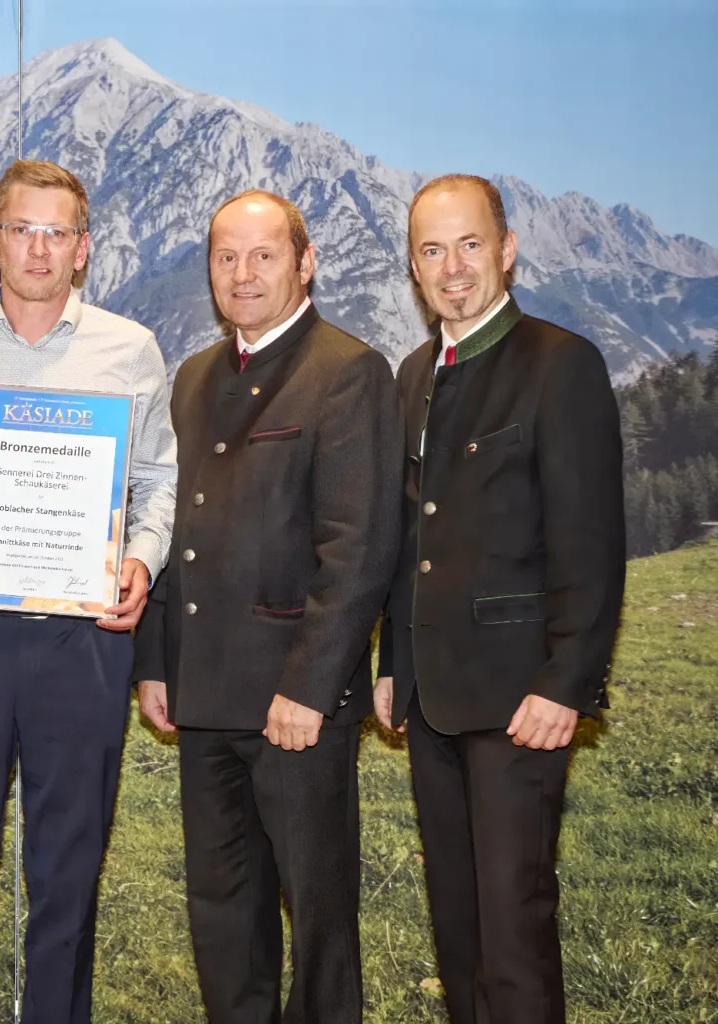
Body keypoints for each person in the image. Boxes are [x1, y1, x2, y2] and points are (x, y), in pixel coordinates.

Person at [0, 159, 177, 1024]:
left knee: (66, 880)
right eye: (22, 229)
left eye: (58, 233)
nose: (39, 248)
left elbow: (157, 480)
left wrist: (144, 562)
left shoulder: (130, 349)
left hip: (81, 641)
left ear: (83, 250)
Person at [133, 190, 401, 1024]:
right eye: (225, 257)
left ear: (305, 262)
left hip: (296, 703)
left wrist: (311, 688)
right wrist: (154, 662)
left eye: (263, 256)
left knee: (319, 919)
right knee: (223, 913)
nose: (242, 274)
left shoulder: (348, 371)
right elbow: (168, 526)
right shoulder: (194, 377)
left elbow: (357, 548)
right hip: (204, 694)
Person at [376, 174, 625, 1024]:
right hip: (434, 703)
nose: (452, 269)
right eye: (432, 251)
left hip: (523, 699)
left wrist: (567, 682)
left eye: (469, 245)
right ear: (413, 267)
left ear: (508, 250)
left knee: (514, 933)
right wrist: (392, 666)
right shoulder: (415, 375)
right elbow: (412, 540)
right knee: (458, 930)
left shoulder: (562, 364)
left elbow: (591, 544)